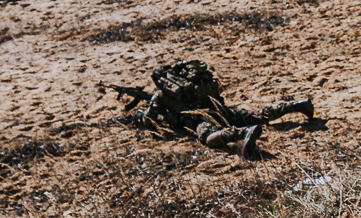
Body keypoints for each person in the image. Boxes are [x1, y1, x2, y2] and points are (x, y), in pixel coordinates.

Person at [111, 59, 312, 154]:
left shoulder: (160, 95)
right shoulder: (190, 86)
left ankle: (243, 133)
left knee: (208, 138)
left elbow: (150, 121)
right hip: (218, 108)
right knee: (257, 115)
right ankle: (297, 106)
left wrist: (139, 115)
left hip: (199, 118)